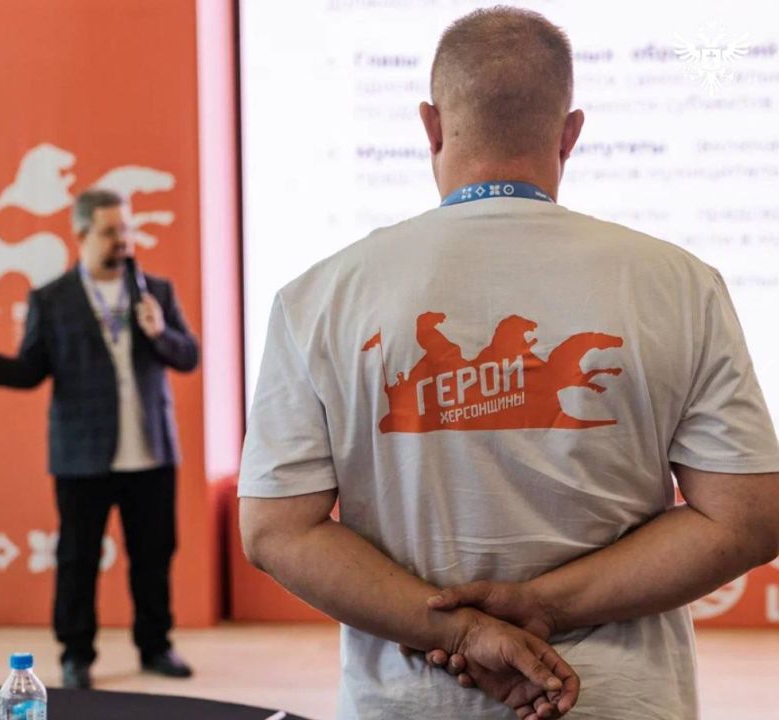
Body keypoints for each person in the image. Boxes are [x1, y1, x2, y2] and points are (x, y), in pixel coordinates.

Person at [238, 7, 779, 720]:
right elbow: (747, 520)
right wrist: (543, 607)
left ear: (431, 126)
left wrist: (460, 630)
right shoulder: (679, 284)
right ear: (570, 133)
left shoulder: (320, 295)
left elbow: (276, 530)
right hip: (616, 699)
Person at [0, 188, 199, 689]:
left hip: (151, 451)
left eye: (126, 229)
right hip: (82, 455)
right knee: (77, 558)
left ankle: (156, 645)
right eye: (110, 232)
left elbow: (188, 356)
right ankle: (76, 654)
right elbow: (32, 369)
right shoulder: (52, 299)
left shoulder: (156, 292)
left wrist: (160, 332)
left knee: (154, 556)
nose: (122, 240)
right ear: (81, 234)